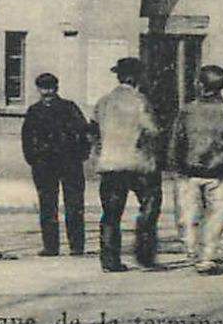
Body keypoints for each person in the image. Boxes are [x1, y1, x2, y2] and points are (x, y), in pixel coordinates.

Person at [169, 65, 223, 275]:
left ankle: (195, 253)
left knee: (188, 218)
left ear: (200, 85)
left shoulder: (186, 110)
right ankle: (208, 255)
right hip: (221, 173)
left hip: (189, 172)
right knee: (219, 218)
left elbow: (177, 141)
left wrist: (175, 165)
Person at [91, 57, 164, 273]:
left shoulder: (103, 101)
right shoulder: (141, 101)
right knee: (150, 204)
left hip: (110, 163)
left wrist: (100, 151)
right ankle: (144, 253)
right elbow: (152, 130)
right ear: (136, 77)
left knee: (111, 213)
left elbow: (94, 129)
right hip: (137, 163)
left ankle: (109, 259)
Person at [21, 72, 91, 257]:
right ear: (39, 90)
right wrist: (33, 159)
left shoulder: (68, 108)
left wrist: (81, 155)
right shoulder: (35, 111)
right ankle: (54, 246)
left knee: (72, 205)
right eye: (44, 88)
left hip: (67, 162)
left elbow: (84, 132)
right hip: (47, 164)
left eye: (50, 88)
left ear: (56, 88)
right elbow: (27, 138)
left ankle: (73, 246)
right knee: (49, 205)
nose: (47, 92)